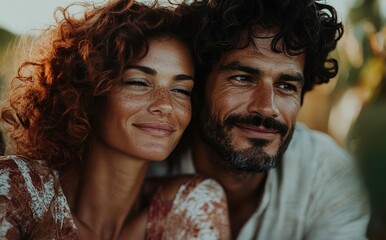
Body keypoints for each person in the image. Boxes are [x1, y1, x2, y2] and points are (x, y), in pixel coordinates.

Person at [0, 0, 230, 239]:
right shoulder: (18, 188)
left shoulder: (192, 206)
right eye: (138, 83)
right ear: (86, 91)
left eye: (181, 90)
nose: (165, 105)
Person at [149, 0, 369, 239]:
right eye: (243, 78)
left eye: (286, 86)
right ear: (199, 86)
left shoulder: (324, 173)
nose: (266, 108)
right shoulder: (146, 163)